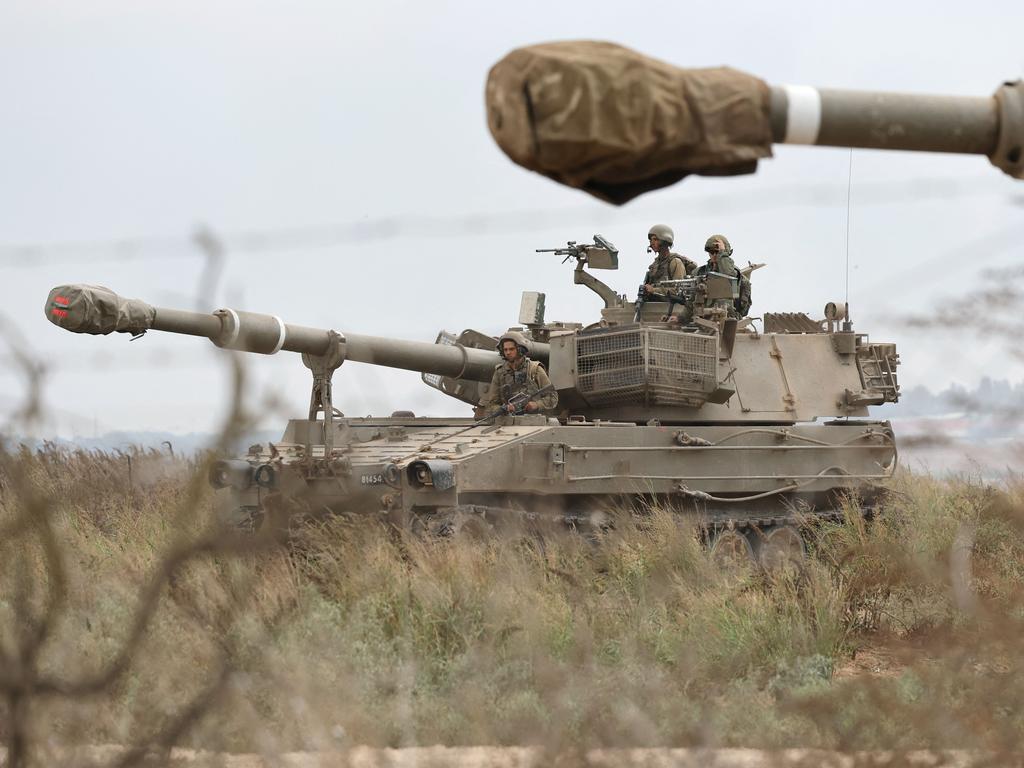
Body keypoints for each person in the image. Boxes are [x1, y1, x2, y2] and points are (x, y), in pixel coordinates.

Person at [479, 331, 559, 415]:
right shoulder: (500, 372)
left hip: (535, 421)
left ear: (520, 349)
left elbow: (552, 397)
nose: (508, 352)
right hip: (509, 422)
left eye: (511, 349)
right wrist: (504, 409)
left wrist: (536, 404)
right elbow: (492, 404)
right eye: (505, 350)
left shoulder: (534, 370)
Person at [643, 224, 696, 300]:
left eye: (655, 239)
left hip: (672, 308)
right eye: (651, 240)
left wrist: (654, 290)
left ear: (664, 241)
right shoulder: (655, 264)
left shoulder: (675, 262)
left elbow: (679, 291)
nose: (651, 243)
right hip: (656, 306)